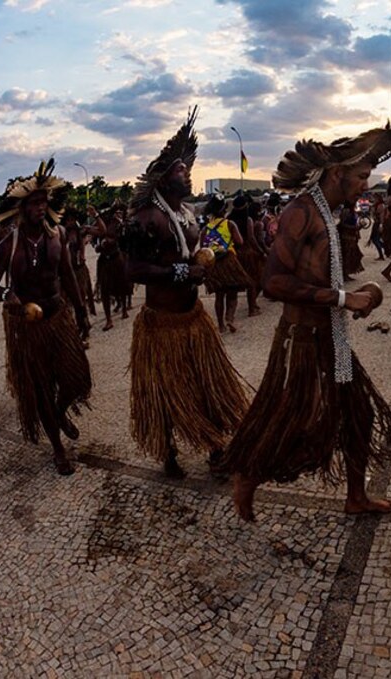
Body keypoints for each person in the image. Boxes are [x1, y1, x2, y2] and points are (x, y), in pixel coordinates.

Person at [225, 116, 391, 522]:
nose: (366, 184)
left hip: (332, 338)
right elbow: (273, 282)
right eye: (362, 175)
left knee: (359, 417)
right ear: (337, 172)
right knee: (293, 423)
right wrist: (345, 298)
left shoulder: (328, 212)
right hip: (302, 340)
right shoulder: (301, 212)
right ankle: (248, 475)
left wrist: (357, 297)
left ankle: (356, 496)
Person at [122, 108, 249, 479]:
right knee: (164, 394)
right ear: (162, 179)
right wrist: (181, 271)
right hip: (162, 328)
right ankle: (168, 452)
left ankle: (215, 448)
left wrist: (202, 259)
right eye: (180, 170)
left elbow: (186, 254)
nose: (187, 173)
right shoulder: (148, 217)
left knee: (207, 385)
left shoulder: (187, 213)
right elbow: (133, 269)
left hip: (194, 319)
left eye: (187, 168)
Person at [0, 158, 92, 475]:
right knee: (42, 386)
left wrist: (82, 312)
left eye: (44, 201)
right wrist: (7, 295)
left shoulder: (56, 236)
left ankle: (59, 413)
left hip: (59, 318)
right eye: (34, 203)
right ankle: (58, 450)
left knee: (78, 379)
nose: (41, 207)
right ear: (22, 207)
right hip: (29, 328)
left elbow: (68, 276)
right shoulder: (9, 245)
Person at [200, 194, 251, 333]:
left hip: (214, 263)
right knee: (232, 294)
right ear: (224, 209)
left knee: (219, 296)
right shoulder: (229, 224)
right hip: (229, 260)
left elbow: (202, 249)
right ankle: (230, 319)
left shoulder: (206, 228)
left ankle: (221, 324)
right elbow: (240, 241)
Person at [88, 202, 131, 331]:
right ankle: (108, 319)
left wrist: (108, 242)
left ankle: (124, 307)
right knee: (104, 288)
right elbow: (94, 236)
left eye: (120, 212)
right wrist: (97, 245)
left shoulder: (120, 224)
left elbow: (118, 239)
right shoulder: (103, 222)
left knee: (122, 284)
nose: (118, 214)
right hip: (104, 261)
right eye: (116, 212)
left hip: (117, 258)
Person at [231, 192, 267, 317]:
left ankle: (230, 315)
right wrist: (260, 251)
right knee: (252, 282)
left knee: (235, 284)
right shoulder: (248, 220)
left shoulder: (228, 220)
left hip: (233, 253)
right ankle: (252, 309)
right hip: (247, 252)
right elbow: (251, 238)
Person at [63, 210, 98, 319]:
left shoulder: (81, 231)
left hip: (78, 269)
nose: (71, 222)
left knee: (81, 297)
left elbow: (102, 230)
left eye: (72, 219)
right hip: (65, 272)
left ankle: (84, 321)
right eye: (68, 220)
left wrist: (97, 216)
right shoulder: (59, 232)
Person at [338, 205, 366, 281]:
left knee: (353, 255)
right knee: (347, 256)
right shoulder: (346, 211)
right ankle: (344, 274)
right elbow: (342, 224)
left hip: (351, 236)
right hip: (346, 237)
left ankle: (345, 274)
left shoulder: (351, 210)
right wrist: (354, 228)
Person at [369, 193, 386, 260]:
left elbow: (381, 216)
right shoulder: (376, 205)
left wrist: (381, 225)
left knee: (376, 240)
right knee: (375, 239)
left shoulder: (380, 206)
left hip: (378, 224)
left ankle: (383, 252)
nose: (374, 199)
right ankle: (385, 250)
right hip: (376, 223)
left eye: (375, 198)